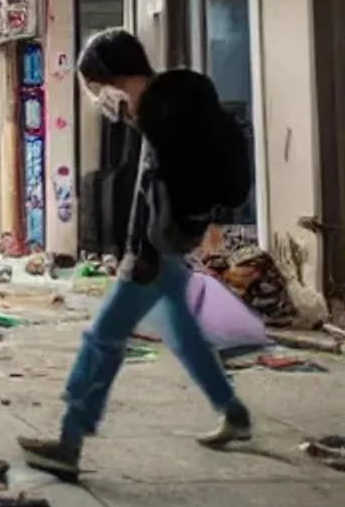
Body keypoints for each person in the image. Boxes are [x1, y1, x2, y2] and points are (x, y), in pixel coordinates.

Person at [18, 28, 253, 479]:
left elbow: (163, 194)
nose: (96, 97)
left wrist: (140, 254)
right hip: (163, 246)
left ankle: (69, 441)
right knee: (183, 334)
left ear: (114, 76)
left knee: (102, 338)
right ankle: (234, 413)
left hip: (154, 250)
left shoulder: (165, 116)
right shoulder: (162, 107)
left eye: (95, 85)